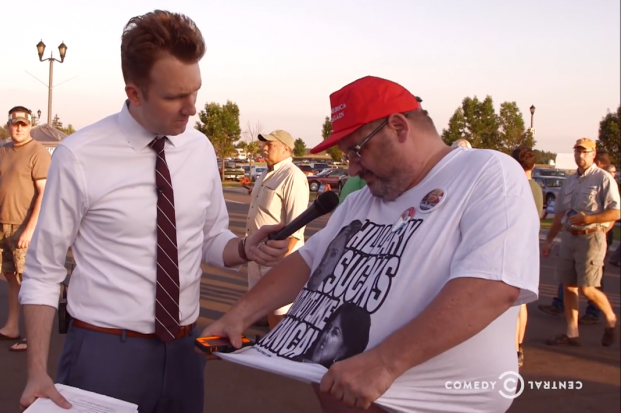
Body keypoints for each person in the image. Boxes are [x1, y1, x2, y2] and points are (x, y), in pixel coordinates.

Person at [203, 76, 539, 412]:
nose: (352, 167)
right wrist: (239, 316)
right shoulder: (361, 200)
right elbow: (308, 262)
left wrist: (386, 363)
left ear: (398, 127)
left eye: (357, 151)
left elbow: (493, 285)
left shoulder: (487, 172)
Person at [18, 11, 290, 413]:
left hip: (185, 351)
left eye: (195, 91)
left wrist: (247, 247)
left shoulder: (199, 150)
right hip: (103, 352)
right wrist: (37, 371)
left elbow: (211, 240)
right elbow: (43, 269)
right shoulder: (80, 155)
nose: (191, 108)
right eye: (175, 96)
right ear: (135, 93)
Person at [0, 106, 51, 352]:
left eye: (23, 123)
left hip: (23, 225)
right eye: (14, 123)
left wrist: (30, 229)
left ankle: (34, 334)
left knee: (28, 280)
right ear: (9, 124)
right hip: (2, 222)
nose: (18, 128)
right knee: (10, 276)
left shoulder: (38, 153)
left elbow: (44, 194)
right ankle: (12, 327)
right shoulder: (4, 151)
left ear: (30, 125)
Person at [542, 139, 620, 347]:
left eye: (585, 152)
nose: (580, 156)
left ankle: (611, 318)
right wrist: (549, 240)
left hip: (591, 237)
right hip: (569, 237)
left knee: (587, 288)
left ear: (593, 154)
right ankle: (571, 333)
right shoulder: (570, 181)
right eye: (577, 152)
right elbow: (560, 214)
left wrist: (589, 219)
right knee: (569, 286)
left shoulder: (603, 179)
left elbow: (615, 211)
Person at [246, 129, 309, 329]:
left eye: (270, 145)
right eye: (264, 145)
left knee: (281, 312)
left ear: (285, 149)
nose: (264, 149)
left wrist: (283, 262)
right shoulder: (265, 174)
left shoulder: (293, 177)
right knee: (262, 308)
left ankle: (279, 355)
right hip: (259, 254)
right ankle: (267, 350)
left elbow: (297, 224)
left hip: (278, 257)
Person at [511, 147, 543, 368]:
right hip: (529, 247)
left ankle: (512, 349)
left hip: (516, 246)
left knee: (512, 303)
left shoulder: (518, 187)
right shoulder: (537, 189)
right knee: (521, 304)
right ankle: (518, 347)